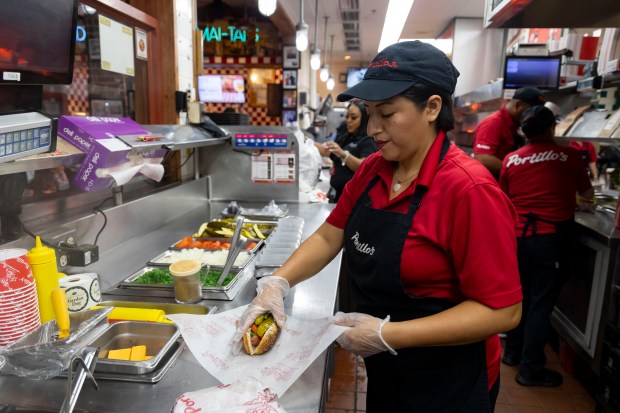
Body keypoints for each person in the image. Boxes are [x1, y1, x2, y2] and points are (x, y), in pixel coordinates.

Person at [232, 41, 522, 412]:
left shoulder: (470, 191)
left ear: (433, 107)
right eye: (369, 113)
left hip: (448, 378)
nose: (373, 128)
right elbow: (328, 234)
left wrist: (388, 334)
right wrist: (278, 282)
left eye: (387, 113)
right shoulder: (373, 169)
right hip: (386, 363)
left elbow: (502, 311)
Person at [499, 105, 594, 387]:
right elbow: (587, 195)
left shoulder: (511, 159)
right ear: (552, 128)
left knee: (520, 298)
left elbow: (504, 199)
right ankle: (530, 369)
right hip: (550, 239)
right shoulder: (569, 155)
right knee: (540, 304)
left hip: (516, 239)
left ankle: (512, 354)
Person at [473, 86, 546, 178]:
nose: (532, 115)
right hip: (494, 182)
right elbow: (483, 158)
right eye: (529, 110)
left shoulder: (516, 123)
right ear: (518, 105)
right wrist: (517, 172)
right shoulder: (493, 123)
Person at [314, 100, 377, 202]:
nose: (348, 120)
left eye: (353, 117)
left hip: (355, 200)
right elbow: (328, 151)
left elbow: (365, 166)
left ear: (364, 119)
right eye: (347, 117)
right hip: (338, 196)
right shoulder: (346, 137)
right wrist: (307, 143)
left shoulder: (368, 141)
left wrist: (343, 154)